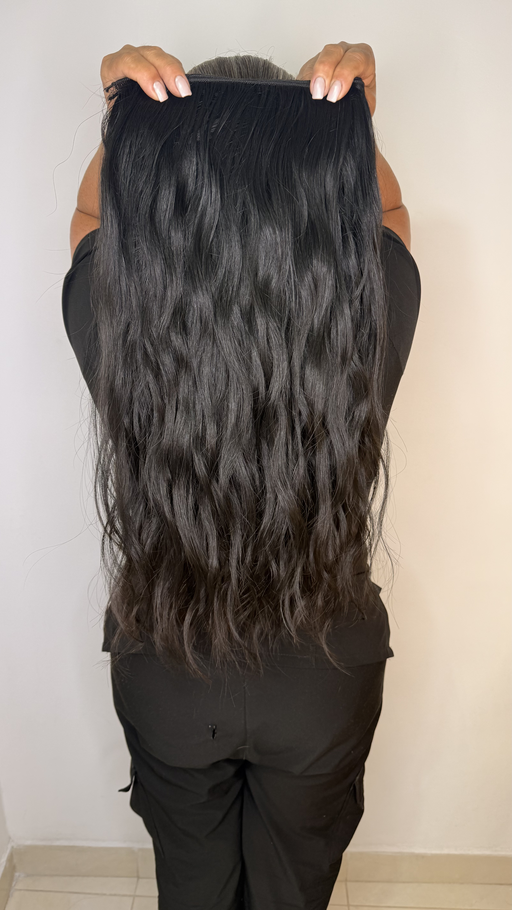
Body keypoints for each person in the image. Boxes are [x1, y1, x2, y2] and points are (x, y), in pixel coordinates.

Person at [62, 42, 420, 910]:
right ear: (319, 190)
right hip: (323, 672)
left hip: (170, 666)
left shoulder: (118, 320)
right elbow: (390, 209)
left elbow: (90, 215)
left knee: (193, 889)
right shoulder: (372, 310)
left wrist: (123, 117)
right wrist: (353, 122)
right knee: (294, 891)